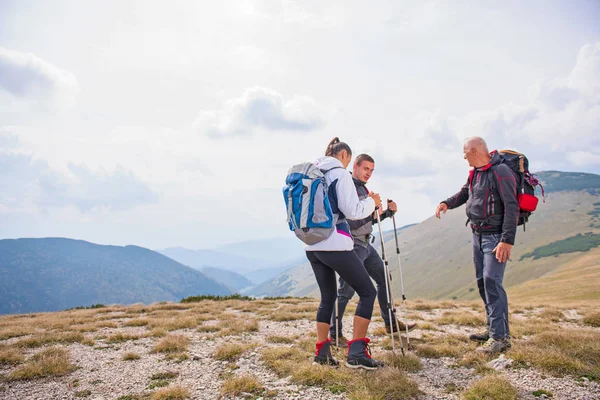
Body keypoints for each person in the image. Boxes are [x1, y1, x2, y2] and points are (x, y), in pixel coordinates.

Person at [306, 137, 384, 369]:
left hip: (312, 244)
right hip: (335, 242)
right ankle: (357, 353)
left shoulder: (314, 173)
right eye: (348, 161)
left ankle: (322, 353)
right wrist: (372, 203)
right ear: (344, 156)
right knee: (368, 291)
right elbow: (352, 211)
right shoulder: (339, 174)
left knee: (327, 297)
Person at [435, 136, 518, 354]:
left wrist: (506, 240)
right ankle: (493, 329)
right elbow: (464, 194)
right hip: (477, 234)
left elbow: (512, 206)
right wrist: (446, 203)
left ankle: (500, 338)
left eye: (464, 152)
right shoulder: (475, 173)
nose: (463, 157)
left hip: (495, 236)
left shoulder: (501, 172)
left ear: (473, 151)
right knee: (483, 282)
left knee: (492, 280)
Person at [330, 154, 417, 347]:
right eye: (365, 169)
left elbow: (368, 219)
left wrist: (385, 213)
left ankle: (391, 324)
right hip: (352, 246)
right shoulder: (348, 187)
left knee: (384, 278)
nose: (368, 173)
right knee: (346, 290)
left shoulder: (363, 188)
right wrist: (373, 207)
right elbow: (351, 222)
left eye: (371, 170)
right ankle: (334, 334)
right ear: (355, 166)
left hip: (366, 245)